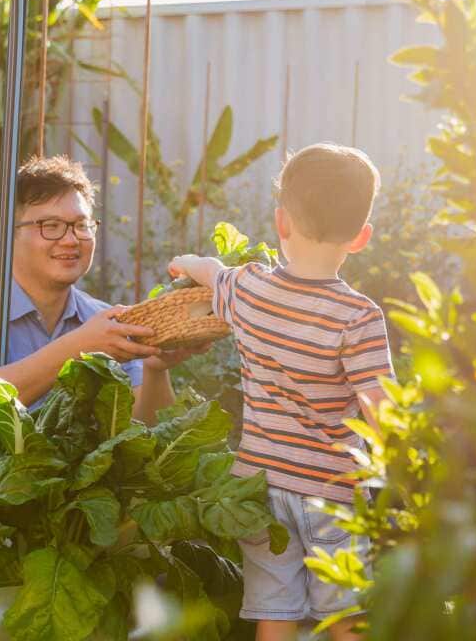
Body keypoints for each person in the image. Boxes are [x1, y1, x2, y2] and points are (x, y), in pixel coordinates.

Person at [167, 143, 393, 641]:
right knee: (346, 614)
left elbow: (210, 271)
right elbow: (382, 409)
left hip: (260, 488)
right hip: (331, 490)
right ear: (361, 237)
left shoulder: (247, 288)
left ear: (281, 223)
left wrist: (185, 261)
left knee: (275, 610)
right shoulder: (358, 317)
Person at [0, 154, 194, 461]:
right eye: (51, 225)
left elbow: (147, 430)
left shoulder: (100, 322)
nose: (71, 239)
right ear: (10, 233)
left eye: (82, 225)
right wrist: (77, 348)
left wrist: (155, 368)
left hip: (67, 505)